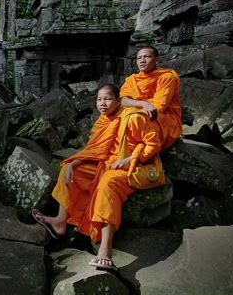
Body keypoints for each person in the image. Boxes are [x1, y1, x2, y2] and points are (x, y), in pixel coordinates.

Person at [32, 84, 161, 270]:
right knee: (69, 168)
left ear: (118, 101)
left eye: (108, 99)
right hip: (105, 163)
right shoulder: (103, 120)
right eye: (99, 99)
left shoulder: (133, 118)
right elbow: (94, 150)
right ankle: (60, 221)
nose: (103, 103)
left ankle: (105, 249)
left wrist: (129, 160)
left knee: (107, 183)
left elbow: (153, 144)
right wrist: (74, 163)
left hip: (131, 167)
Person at [120, 46, 181, 150]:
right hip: (142, 110)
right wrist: (144, 104)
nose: (142, 60)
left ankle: (139, 152)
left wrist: (134, 103)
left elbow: (159, 106)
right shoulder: (132, 79)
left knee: (134, 118)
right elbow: (122, 101)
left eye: (147, 57)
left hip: (163, 117)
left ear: (156, 60)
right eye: (139, 58)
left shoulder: (166, 77)